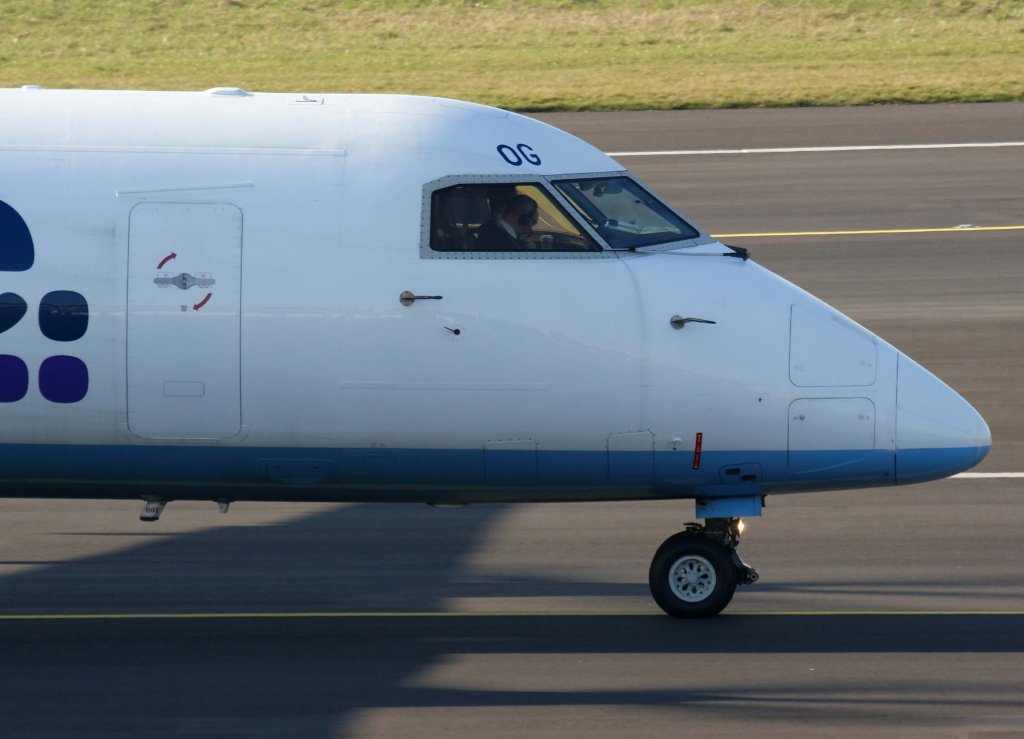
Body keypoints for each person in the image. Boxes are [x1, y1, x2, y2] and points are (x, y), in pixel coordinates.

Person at [471, 194, 538, 251]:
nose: (530, 227)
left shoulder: (485, 228)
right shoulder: (510, 246)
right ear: (524, 219)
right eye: (533, 221)